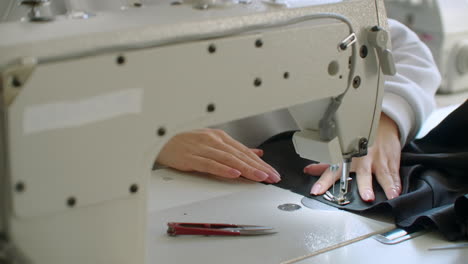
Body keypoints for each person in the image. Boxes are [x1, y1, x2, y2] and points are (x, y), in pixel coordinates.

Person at [156, 19, 441, 202]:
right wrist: (152, 143)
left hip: (267, 184)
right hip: (166, 189)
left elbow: (405, 50)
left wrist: (384, 121)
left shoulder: (307, 9)